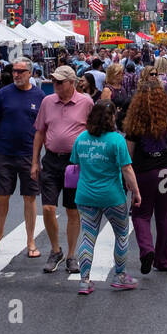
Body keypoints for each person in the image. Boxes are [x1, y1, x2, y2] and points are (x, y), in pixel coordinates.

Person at [71, 100, 142, 294]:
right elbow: (126, 168)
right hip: (112, 196)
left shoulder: (81, 138)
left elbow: (75, 163)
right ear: (111, 118)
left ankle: (84, 280)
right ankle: (120, 276)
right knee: (121, 234)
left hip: (85, 195)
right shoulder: (116, 140)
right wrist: (136, 192)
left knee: (87, 236)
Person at [30, 65, 92, 274]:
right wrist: (35, 161)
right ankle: (56, 250)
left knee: (72, 210)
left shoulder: (86, 102)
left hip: (75, 164)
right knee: (48, 208)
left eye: (59, 82)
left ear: (71, 83)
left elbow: (93, 132)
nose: (54, 85)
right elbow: (40, 132)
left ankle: (72, 255)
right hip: (51, 161)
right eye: (54, 81)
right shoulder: (48, 101)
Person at [0, 57, 45, 260]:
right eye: (14, 71)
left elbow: (44, 128)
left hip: (29, 154)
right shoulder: (4, 93)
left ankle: (30, 240)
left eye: (20, 71)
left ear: (29, 73)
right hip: (4, 153)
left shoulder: (39, 96)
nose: (16, 74)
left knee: (30, 198)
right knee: (3, 195)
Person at [124, 76, 167, 273]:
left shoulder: (135, 121)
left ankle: (146, 249)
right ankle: (163, 260)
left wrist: (126, 177)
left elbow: (129, 152)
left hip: (143, 173)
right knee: (164, 217)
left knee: (141, 215)